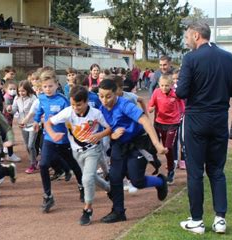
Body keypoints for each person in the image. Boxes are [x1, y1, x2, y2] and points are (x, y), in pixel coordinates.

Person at [176, 22, 232, 235]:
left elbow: (181, 92)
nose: (186, 41)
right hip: (220, 118)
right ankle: (220, 219)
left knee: (195, 171)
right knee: (217, 170)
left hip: (197, 119)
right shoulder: (229, 58)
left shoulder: (190, 58)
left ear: (197, 35)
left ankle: (197, 220)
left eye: (187, 37)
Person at [97, 79, 169, 223]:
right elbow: (106, 129)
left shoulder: (125, 105)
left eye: (108, 96)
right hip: (119, 145)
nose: (104, 100)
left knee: (137, 181)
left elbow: (144, 121)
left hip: (138, 143)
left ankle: (160, 182)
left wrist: (157, 144)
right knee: (115, 178)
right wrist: (112, 135)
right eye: (101, 96)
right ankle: (118, 212)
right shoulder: (101, 110)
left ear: (116, 93)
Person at [46, 86, 111, 225]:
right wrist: (52, 134)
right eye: (73, 104)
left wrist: (99, 135)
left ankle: (87, 210)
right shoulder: (68, 112)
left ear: (86, 101)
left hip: (93, 150)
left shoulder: (96, 114)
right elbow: (48, 123)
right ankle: (109, 188)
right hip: (77, 153)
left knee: (86, 179)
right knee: (91, 176)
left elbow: (110, 128)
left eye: (79, 105)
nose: (76, 108)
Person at [33, 69, 84, 213]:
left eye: (50, 86)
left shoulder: (63, 100)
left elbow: (71, 117)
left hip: (64, 139)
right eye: (45, 87)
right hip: (49, 137)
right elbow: (39, 111)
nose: (47, 89)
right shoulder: (41, 98)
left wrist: (74, 132)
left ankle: (82, 187)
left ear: (56, 85)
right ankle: (48, 196)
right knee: (43, 165)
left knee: (74, 164)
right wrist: (37, 121)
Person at [148, 75, 185, 185]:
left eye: (167, 85)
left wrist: (180, 117)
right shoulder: (156, 92)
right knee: (152, 146)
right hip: (159, 123)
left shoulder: (175, 94)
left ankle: (171, 171)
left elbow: (183, 108)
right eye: (162, 85)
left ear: (171, 85)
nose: (164, 88)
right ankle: (156, 162)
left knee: (167, 148)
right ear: (159, 84)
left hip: (172, 124)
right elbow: (150, 106)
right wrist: (151, 108)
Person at [11, 81, 38, 173]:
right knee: (27, 146)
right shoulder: (17, 98)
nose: (21, 93)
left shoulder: (33, 98)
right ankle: (34, 160)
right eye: (19, 91)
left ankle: (33, 164)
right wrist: (10, 109)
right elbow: (14, 110)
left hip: (33, 124)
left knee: (31, 145)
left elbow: (35, 111)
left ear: (28, 90)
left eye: (23, 91)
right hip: (22, 124)